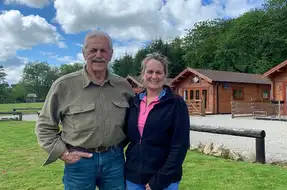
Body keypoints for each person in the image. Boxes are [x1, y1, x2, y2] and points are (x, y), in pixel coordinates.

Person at [35, 30, 134, 190]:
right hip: (79, 163)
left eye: (103, 50)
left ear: (111, 54)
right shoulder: (63, 85)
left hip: (114, 160)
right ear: (83, 53)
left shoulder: (123, 86)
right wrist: (63, 153)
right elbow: (45, 126)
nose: (98, 55)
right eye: (93, 50)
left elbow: (136, 120)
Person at [124, 53, 190, 190]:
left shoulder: (176, 104)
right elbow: (125, 136)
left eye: (159, 72)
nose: (154, 76)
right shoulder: (134, 102)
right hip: (133, 178)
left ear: (165, 75)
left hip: (164, 180)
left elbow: (180, 146)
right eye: (150, 72)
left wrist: (159, 180)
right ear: (143, 74)